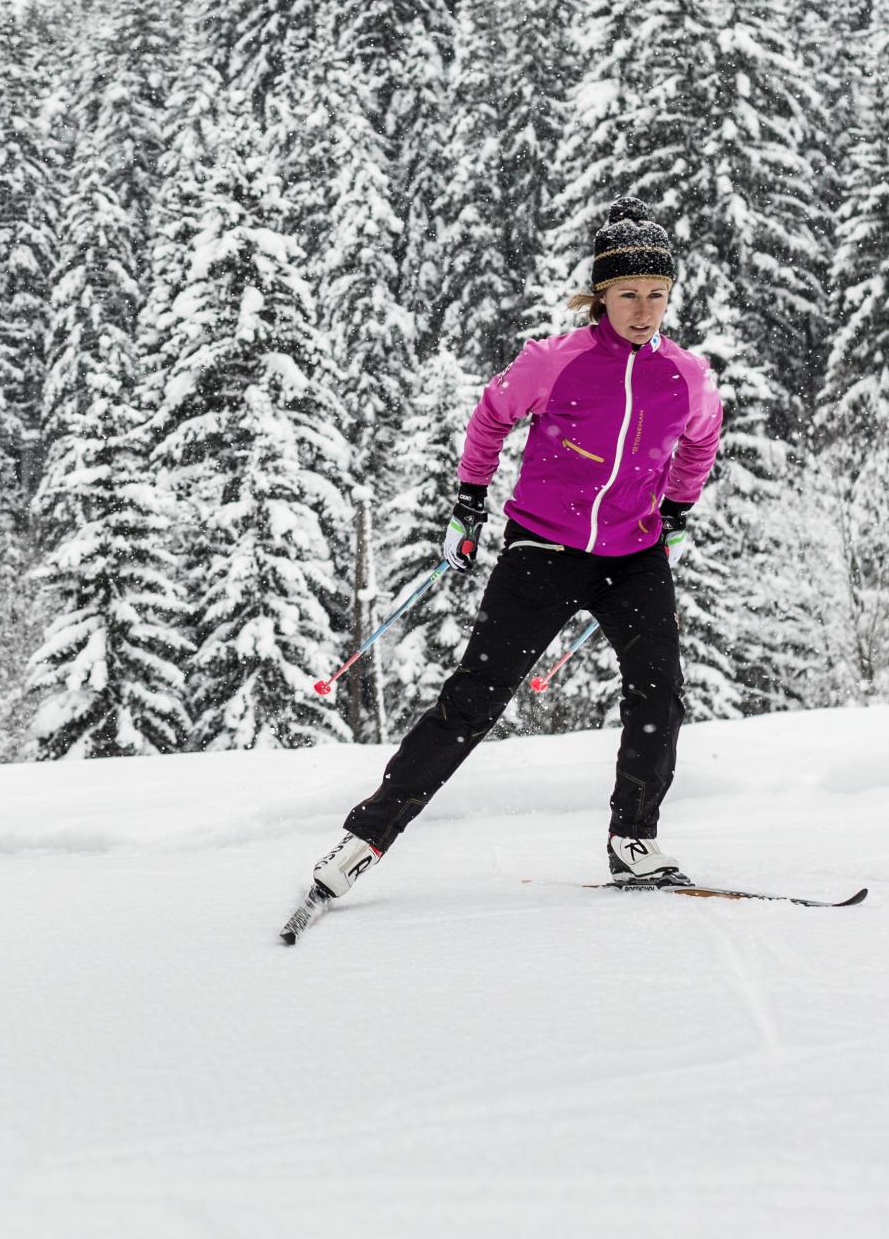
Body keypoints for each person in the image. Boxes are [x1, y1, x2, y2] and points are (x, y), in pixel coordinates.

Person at [304, 196, 723, 909]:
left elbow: (702, 439)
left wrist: (678, 507)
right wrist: (469, 502)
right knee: (472, 702)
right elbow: (491, 417)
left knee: (660, 692)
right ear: (600, 295)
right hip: (542, 549)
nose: (645, 309)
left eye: (658, 294)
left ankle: (634, 839)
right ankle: (365, 838)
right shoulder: (554, 363)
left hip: (634, 555)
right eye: (629, 294)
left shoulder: (684, 374)